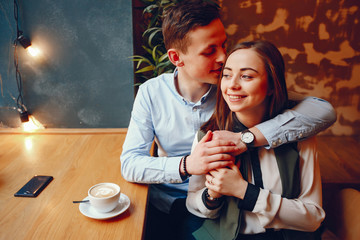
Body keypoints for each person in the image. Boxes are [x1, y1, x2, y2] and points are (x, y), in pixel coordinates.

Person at [120, 1, 335, 239]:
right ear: (176, 57)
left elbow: (321, 111)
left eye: (224, 44)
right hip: (172, 203)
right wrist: (188, 165)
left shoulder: (237, 92)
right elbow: (130, 163)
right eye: (210, 51)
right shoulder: (152, 93)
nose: (224, 57)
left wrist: (246, 138)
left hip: (232, 208)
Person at [186, 40, 325, 240]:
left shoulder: (299, 136)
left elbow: (313, 217)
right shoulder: (207, 136)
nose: (232, 85)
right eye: (226, 75)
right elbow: (192, 203)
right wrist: (212, 195)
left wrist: (244, 191)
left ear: (271, 85)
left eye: (246, 76)